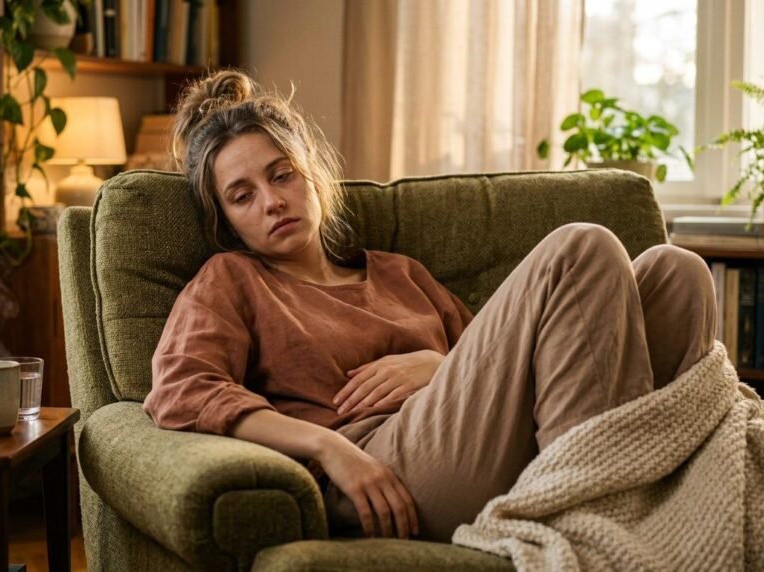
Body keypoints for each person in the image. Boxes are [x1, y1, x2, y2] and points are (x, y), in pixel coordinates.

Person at [142, 69, 718, 543]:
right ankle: (596, 519)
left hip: (490, 442)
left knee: (678, 271)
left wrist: (439, 366)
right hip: (385, 465)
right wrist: (330, 447)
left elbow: (501, 371)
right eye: (243, 196)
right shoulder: (234, 280)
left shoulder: (400, 274)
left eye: (282, 175)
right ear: (228, 222)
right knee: (581, 245)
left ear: (311, 176)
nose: (272, 202)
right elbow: (180, 389)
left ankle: (613, 493)